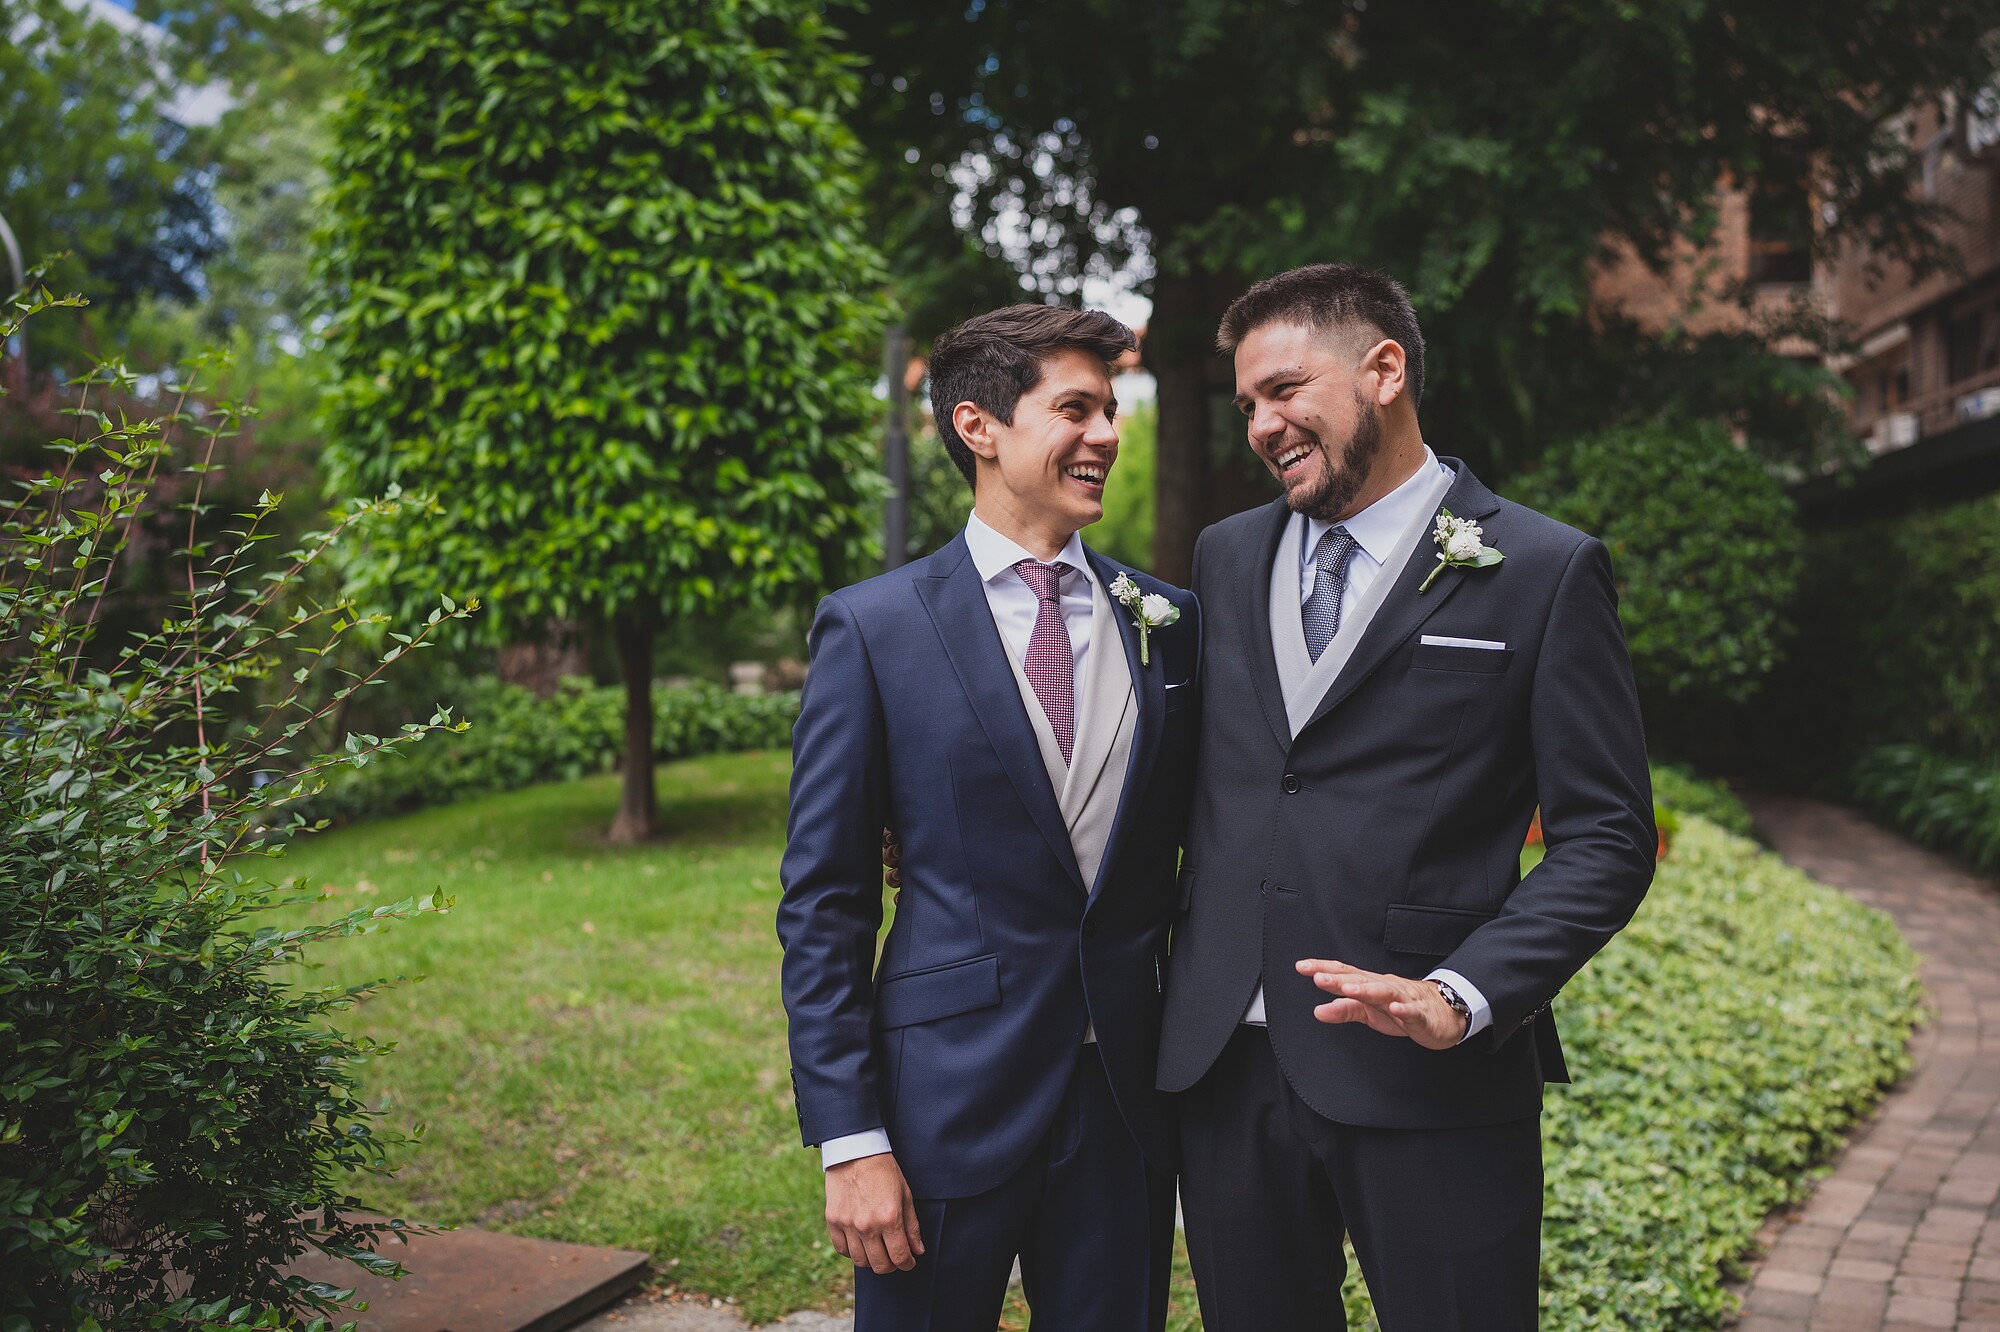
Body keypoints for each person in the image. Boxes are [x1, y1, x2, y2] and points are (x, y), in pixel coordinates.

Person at [1157, 263, 1656, 1330]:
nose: (1260, 424)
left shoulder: (1541, 568)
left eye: (1284, 390)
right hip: (1225, 1067)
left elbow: (1606, 838)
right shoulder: (1223, 555)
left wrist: (1460, 994)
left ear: (1382, 369)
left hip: (1427, 1073)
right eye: (1246, 403)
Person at [777, 304, 1199, 1331]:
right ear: (979, 427)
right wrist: (851, 1140)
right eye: (1074, 408)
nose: (1104, 434)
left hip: (1121, 1108)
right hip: (939, 1105)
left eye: (1109, 410)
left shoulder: (1170, 626)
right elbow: (826, 903)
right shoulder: (872, 628)